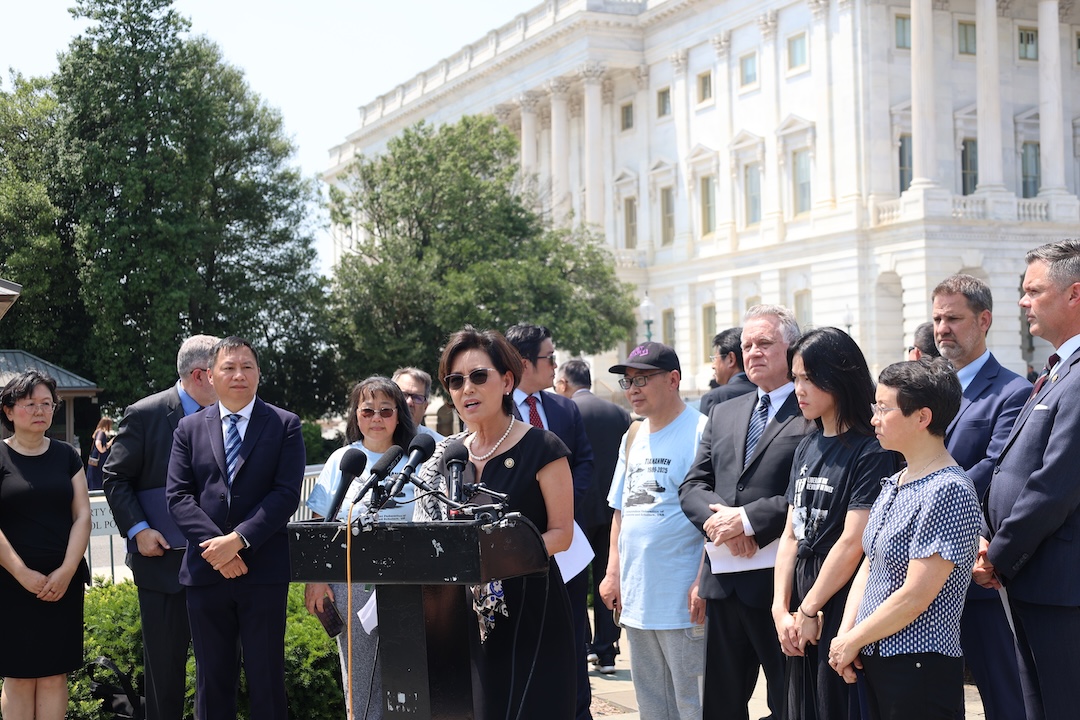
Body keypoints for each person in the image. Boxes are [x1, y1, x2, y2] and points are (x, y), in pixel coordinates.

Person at [415, 326, 576, 719]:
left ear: (506, 381)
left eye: (478, 376)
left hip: (530, 612)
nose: (466, 388)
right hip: (461, 618)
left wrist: (499, 554)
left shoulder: (542, 447)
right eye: (455, 380)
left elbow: (562, 534)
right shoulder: (449, 455)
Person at [679, 304, 814, 720]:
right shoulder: (725, 412)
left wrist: (748, 521)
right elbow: (692, 486)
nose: (753, 352)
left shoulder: (811, 411)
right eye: (747, 344)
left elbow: (806, 492)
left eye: (765, 343)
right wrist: (720, 524)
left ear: (792, 348)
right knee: (720, 704)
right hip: (724, 582)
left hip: (782, 587)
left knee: (790, 703)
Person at [829, 358, 981, 720]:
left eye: (884, 408)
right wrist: (846, 636)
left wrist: (852, 640)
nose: (874, 419)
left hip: (919, 664)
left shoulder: (948, 489)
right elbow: (871, 564)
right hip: (874, 655)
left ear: (922, 417)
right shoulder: (896, 481)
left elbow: (916, 596)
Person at [166, 336, 304, 720]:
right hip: (206, 571)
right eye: (229, 367)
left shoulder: (285, 424)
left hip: (264, 571)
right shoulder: (189, 428)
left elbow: (285, 494)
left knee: (267, 678)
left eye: (247, 367)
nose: (238, 375)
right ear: (210, 376)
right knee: (211, 682)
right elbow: (178, 497)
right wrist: (219, 549)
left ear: (259, 373)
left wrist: (240, 540)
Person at [771, 328, 898, 719]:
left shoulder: (871, 448)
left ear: (839, 377)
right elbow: (791, 534)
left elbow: (853, 541)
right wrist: (780, 609)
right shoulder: (806, 444)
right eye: (795, 378)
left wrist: (810, 610)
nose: (799, 389)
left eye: (809, 378)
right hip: (802, 604)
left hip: (842, 602)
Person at [983, 239, 1080, 720]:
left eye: (1034, 291)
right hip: (1034, 579)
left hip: (1061, 589)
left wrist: (997, 556)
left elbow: (1053, 487)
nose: (1023, 302)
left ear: (1074, 294)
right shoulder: (1060, 370)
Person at [103, 334, 220, 720]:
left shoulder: (233, 415)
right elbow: (116, 478)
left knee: (218, 673)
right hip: (162, 565)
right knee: (164, 675)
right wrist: (139, 529)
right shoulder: (145, 414)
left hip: (222, 566)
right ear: (201, 375)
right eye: (224, 370)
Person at [931, 274, 1029, 720]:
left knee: (1005, 698)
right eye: (937, 319)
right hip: (922, 575)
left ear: (984, 320)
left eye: (953, 319)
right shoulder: (924, 388)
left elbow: (994, 467)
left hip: (978, 572)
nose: (942, 329)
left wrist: (921, 501)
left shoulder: (1013, 392)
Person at [598, 342, 707, 720]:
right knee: (651, 706)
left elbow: (715, 515)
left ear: (673, 380)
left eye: (642, 379)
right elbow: (620, 509)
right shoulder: (633, 435)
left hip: (683, 601)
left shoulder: (701, 432)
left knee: (693, 705)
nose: (632, 389)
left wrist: (703, 579)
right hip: (637, 598)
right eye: (628, 381)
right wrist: (612, 573)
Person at [304, 376, 417, 720]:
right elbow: (319, 525)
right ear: (356, 415)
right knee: (360, 680)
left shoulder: (418, 460)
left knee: (411, 680)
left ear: (399, 415)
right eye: (367, 411)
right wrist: (316, 579)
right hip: (351, 584)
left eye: (385, 410)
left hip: (409, 583)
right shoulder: (343, 459)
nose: (376, 418)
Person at [504, 323, 594, 720]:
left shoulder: (564, 408)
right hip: (517, 550)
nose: (556, 365)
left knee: (572, 632)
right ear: (524, 363)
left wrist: (562, 510)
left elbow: (585, 463)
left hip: (567, 547)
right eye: (550, 357)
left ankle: (578, 709)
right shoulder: (495, 410)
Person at [0, 370, 91, 720]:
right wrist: (22, 573)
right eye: (29, 404)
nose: (40, 410)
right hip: (10, 581)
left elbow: (82, 515)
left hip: (61, 582)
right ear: (9, 410)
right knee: (18, 677)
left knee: (54, 675)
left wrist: (67, 570)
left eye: (47, 404)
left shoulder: (67, 455)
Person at [555, 359, 630, 674]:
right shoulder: (619, 413)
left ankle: (584, 645)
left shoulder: (566, 412)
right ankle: (607, 649)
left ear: (564, 383)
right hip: (613, 509)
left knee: (576, 577)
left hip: (578, 507)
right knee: (607, 575)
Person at [699, 327, 757, 417]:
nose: (713, 366)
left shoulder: (714, 398)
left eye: (715, 358)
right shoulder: (766, 393)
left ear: (731, 359)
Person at [394, 366, 444, 442]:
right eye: (403, 395)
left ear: (425, 407)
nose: (409, 402)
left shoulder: (439, 444)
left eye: (417, 398)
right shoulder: (375, 439)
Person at [85, 416, 113, 490]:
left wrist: (111, 441)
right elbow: (98, 443)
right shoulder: (101, 432)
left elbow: (105, 446)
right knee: (98, 478)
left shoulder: (98, 432)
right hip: (99, 461)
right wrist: (102, 450)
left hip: (95, 461)